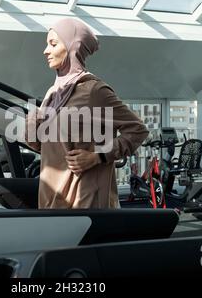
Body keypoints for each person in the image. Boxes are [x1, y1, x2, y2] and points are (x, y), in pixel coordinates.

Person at [25, 18, 149, 209]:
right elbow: (39, 145)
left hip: (84, 199)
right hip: (51, 196)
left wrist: (97, 156)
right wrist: (36, 115)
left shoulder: (94, 91)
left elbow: (138, 131)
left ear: (72, 47)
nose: (46, 51)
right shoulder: (54, 93)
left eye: (53, 44)